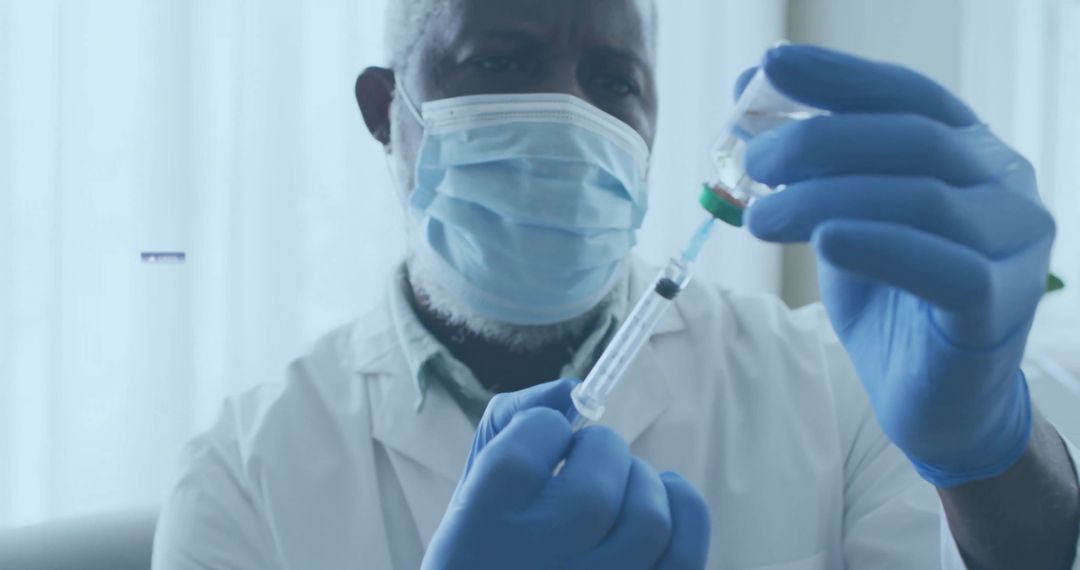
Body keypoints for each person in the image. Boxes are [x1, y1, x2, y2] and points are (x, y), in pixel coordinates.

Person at [152, 0, 1080, 568]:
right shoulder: (243, 478)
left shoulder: (832, 393)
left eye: (612, 77)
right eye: (503, 61)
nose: (569, 109)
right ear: (386, 108)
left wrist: (986, 448)